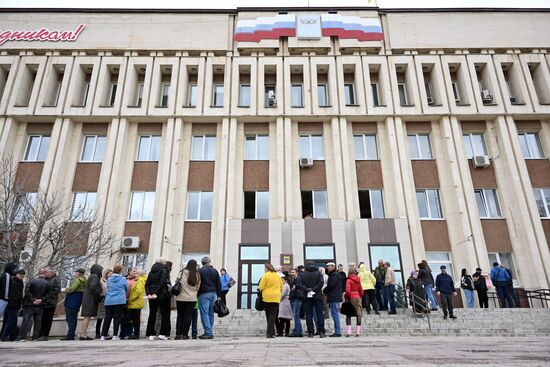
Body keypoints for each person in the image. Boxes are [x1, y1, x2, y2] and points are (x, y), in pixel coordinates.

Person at [20, 269, 51, 341]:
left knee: (26, 320)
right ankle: (35, 337)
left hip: (29, 304)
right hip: (40, 305)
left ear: (38, 274)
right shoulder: (48, 283)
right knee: (38, 321)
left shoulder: (31, 281)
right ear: (44, 274)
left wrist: (33, 299)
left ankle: (23, 337)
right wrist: (41, 300)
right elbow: (49, 294)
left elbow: (27, 291)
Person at [145, 258, 171, 341]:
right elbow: (162, 282)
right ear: (163, 263)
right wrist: (156, 293)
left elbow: (147, 284)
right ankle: (162, 333)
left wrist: (149, 293)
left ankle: (151, 334)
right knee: (165, 314)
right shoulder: (164, 270)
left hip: (151, 296)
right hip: (162, 295)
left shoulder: (151, 271)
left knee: (152, 314)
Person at [101, 264, 128, 341]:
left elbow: (108, 287)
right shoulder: (123, 279)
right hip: (119, 300)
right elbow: (126, 288)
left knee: (107, 318)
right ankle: (115, 335)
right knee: (117, 318)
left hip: (109, 300)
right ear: (121, 270)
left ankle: (103, 335)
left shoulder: (109, 279)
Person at [175, 259, 201, 340]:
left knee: (180, 316)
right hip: (192, 298)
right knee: (188, 316)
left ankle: (178, 335)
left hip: (181, 298)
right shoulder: (197, 274)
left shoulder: (182, 272)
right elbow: (198, 287)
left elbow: (177, 282)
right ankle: (185, 335)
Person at [197, 256, 222, 340]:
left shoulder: (200, 271)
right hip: (214, 294)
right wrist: (219, 295)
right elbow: (219, 284)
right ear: (209, 262)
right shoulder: (214, 271)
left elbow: (198, 283)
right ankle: (208, 331)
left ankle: (208, 332)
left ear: (202, 263)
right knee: (211, 313)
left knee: (204, 313)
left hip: (204, 294)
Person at [301, 262, 325, 338]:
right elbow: (321, 283)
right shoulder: (318, 273)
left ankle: (310, 332)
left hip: (307, 296)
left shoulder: (303, 274)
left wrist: (308, 289)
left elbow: (300, 283)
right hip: (317, 295)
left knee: (309, 315)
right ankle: (321, 332)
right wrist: (313, 289)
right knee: (320, 314)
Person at [61, 268, 86, 341]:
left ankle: (70, 335)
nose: (75, 274)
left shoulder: (78, 280)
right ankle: (71, 334)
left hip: (72, 300)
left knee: (70, 318)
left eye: (76, 272)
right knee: (73, 318)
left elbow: (72, 289)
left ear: (78, 273)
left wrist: (66, 289)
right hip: (78, 300)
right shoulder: (84, 280)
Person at [258, 264, 282, 338]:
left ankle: (269, 333)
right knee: (273, 316)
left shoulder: (265, 275)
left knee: (268, 315)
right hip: (276, 297)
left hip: (267, 297)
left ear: (267, 268)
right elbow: (281, 287)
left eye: (264, 268)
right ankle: (271, 333)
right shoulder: (277, 276)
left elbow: (261, 287)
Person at [80, 264, 103, 340]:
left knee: (87, 316)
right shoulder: (95, 276)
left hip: (88, 299)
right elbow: (93, 287)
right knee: (87, 316)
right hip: (90, 299)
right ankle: (83, 335)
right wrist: (98, 295)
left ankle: (84, 334)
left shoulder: (92, 276)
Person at [1, 269, 25, 342]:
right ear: (16, 274)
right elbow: (14, 294)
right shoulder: (13, 282)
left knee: (8, 320)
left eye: (23, 274)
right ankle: (5, 336)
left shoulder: (19, 282)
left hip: (12, 304)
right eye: (20, 274)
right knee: (11, 321)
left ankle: (5, 335)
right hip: (12, 304)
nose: (22, 275)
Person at [39, 269, 60, 341]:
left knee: (48, 319)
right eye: (44, 272)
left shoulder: (55, 279)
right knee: (42, 319)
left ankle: (45, 335)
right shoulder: (44, 279)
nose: (45, 274)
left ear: (51, 272)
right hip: (43, 302)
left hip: (51, 303)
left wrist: (48, 295)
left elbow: (58, 290)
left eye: (46, 272)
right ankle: (40, 334)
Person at [125, 269, 145, 339]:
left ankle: (136, 333)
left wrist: (130, 299)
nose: (135, 274)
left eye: (136, 273)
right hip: (135, 302)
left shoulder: (139, 280)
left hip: (135, 302)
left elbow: (138, 292)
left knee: (135, 319)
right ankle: (135, 333)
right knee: (134, 319)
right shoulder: (139, 280)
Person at [323, 262, 342, 337]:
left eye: (328, 266)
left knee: (335, 314)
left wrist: (324, 290)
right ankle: (337, 331)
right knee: (334, 314)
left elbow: (331, 285)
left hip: (334, 297)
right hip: (334, 296)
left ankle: (338, 331)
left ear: (333, 267)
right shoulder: (333, 274)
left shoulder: (334, 275)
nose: (327, 267)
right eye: (327, 266)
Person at [0, 262, 19, 338]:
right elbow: (6, 288)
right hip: (4, 300)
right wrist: (7, 299)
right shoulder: (7, 276)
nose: (14, 271)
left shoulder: (4, 275)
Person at [344, 264, 363, 337]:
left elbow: (347, 291)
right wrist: (359, 296)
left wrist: (346, 296)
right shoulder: (358, 279)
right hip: (357, 297)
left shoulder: (348, 280)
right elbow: (361, 290)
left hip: (350, 298)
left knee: (348, 315)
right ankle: (357, 332)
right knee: (358, 314)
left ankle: (349, 332)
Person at [288, 268, 305, 337]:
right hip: (293, 298)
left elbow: (298, 286)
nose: (292, 274)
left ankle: (297, 332)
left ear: (297, 273)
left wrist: (296, 286)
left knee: (296, 316)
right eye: (291, 272)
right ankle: (299, 331)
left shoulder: (299, 279)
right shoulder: (292, 279)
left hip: (297, 299)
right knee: (296, 315)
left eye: (293, 272)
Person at [95, 269, 111, 339]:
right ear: (106, 274)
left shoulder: (110, 281)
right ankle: (97, 333)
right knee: (100, 317)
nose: (111, 275)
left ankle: (104, 332)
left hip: (108, 300)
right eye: (109, 273)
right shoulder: (102, 281)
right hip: (102, 300)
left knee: (106, 317)